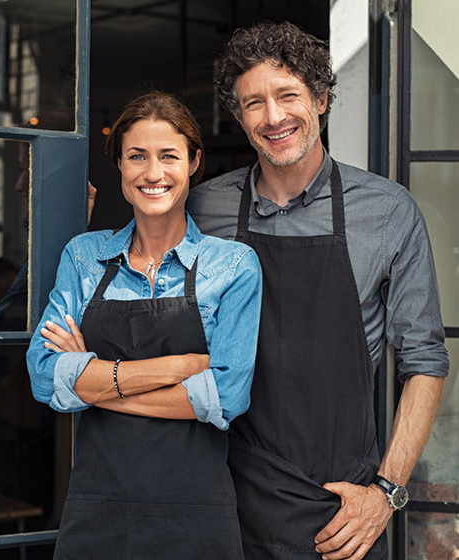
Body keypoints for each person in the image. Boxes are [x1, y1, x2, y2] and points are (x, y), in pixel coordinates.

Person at [186, 21, 449, 560]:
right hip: (221, 496)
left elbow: (424, 360)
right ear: (238, 117)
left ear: (322, 99)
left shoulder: (387, 211)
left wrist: (387, 492)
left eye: (288, 95)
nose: (274, 116)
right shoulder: (201, 208)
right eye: (253, 103)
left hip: (340, 511)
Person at [26, 92, 262, 560]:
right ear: (119, 165)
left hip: (196, 516)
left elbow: (228, 397)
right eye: (137, 156)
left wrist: (94, 384)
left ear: (194, 162)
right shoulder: (85, 257)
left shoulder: (233, 266)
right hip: (97, 512)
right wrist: (181, 367)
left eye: (168, 156)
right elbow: (42, 375)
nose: (153, 173)